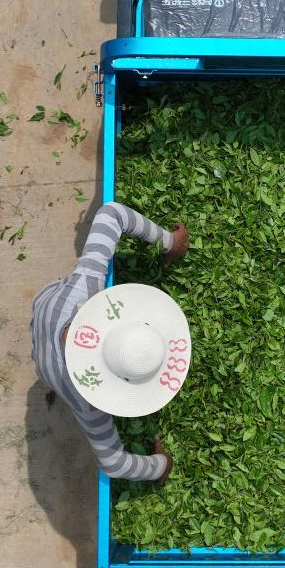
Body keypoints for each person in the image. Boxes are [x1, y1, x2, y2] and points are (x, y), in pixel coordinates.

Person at [30, 202, 190, 483]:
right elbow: (114, 465)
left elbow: (113, 213)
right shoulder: (86, 402)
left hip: (46, 312)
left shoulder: (85, 286)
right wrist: (162, 466)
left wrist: (169, 241)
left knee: (51, 301)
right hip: (50, 368)